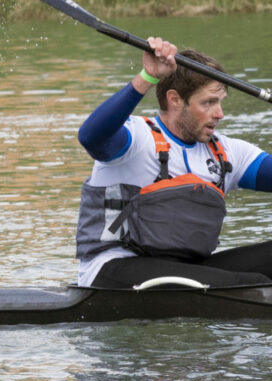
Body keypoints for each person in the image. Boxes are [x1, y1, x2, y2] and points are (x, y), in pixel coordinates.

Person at [76, 37, 272, 288]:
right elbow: (90, 136)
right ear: (175, 99)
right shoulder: (136, 139)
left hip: (187, 269)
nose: (219, 114)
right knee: (252, 285)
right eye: (209, 102)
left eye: (220, 102)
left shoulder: (227, 152)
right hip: (114, 269)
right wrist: (147, 77)